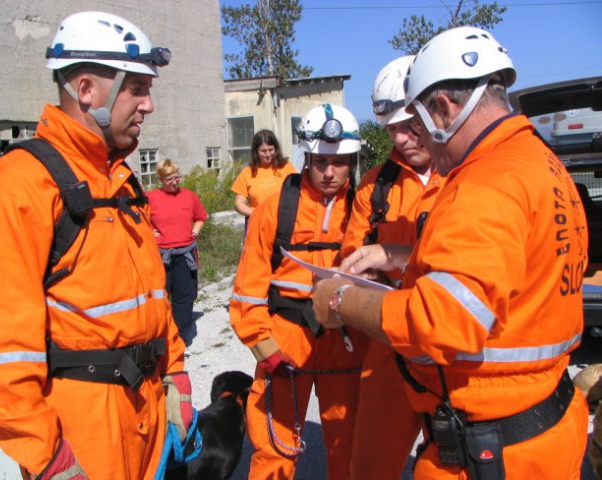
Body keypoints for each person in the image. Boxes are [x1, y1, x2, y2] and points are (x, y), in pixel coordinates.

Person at [312, 26, 589, 479]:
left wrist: (340, 300)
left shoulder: (484, 182)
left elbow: (441, 321)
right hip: (545, 426)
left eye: (418, 125)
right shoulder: (541, 163)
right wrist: (400, 256)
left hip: (494, 448)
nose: (411, 140)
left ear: (443, 108)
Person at [0, 11, 192, 479]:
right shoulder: (20, 186)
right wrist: (50, 460)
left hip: (146, 412)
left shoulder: (121, 183)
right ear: (87, 90)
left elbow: (151, 295)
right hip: (83, 435)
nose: (148, 105)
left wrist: (178, 375)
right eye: (137, 88)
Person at [229, 104, 368, 480]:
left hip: (347, 343)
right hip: (285, 341)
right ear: (306, 156)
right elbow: (249, 289)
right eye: (320, 160)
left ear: (353, 160)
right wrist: (264, 346)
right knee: (274, 447)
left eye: (339, 161)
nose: (328, 171)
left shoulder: (365, 209)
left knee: (349, 448)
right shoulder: (276, 208)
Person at [342, 55, 445, 479]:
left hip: (452, 348)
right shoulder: (375, 186)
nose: (401, 139)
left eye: (410, 126)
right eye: (391, 131)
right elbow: (351, 256)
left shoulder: (466, 176)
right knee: (370, 466)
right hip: (391, 345)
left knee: (453, 460)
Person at [148, 159, 208, 354]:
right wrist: (149, 231)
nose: (174, 182)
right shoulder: (150, 197)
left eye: (176, 177)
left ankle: (180, 339)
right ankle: (161, 337)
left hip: (185, 254)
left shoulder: (189, 196)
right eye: (169, 178)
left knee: (185, 297)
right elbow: (137, 218)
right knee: (160, 297)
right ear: (161, 179)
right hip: (160, 255)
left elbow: (200, 216)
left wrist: (196, 230)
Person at [231, 129, 296, 231]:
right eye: (263, 151)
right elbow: (239, 203)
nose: (268, 154)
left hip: (282, 222)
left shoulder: (286, 167)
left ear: (276, 149)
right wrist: (256, 213)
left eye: (271, 150)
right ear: (256, 151)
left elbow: (297, 194)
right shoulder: (247, 172)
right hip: (256, 223)